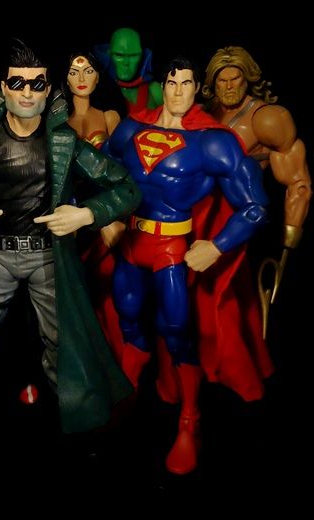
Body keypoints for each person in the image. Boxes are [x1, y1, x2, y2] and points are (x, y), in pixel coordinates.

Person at [0, 40, 141, 474]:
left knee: (64, 343)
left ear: (48, 89)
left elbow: (127, 188)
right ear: (3, 87)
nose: (26, 92)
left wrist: (85, 214)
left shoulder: (64, 143)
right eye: (17, 83)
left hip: (47, 256)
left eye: (37, 84)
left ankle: (77, 421)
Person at [102, 56, 269, 475]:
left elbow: (254, 206)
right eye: (172, 83)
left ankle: (190, 418)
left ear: (197, 89)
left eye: (187, 83)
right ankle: (126, 396)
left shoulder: (212, 142)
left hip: (172, 249)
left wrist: (217, 246)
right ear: (163, 86)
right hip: (130, 243)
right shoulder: (131, 128)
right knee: (128, 320)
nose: (178, 91)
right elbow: (95, 171)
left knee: (177, 330)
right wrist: (104, 218)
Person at [202, 46, 312, 335]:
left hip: (243, 220)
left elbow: (298, 183)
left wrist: (289, 239)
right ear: (213, 82)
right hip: (200, 218)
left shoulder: (266, 119)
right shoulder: (202, 114)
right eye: (222, 80)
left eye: (235, 79)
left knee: (234, 311)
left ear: (247, 79)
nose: (228, 86)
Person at [64, 50, 126, 354]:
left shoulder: (109, 117)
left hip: (104, 210)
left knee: (111, 287)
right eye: (74, 72)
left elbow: (123, 172)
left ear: (99, 77)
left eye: (88, 71)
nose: (81, 78)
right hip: (69, 212)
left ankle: (115, 351)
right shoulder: (57, 121)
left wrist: (112, 215)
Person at [94, 27, 163, 114]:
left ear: (142, 55)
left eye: (133, 56)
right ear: (109, 54)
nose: (126, 63)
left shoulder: (154, 90)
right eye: (119, 55)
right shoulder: (96, 91)